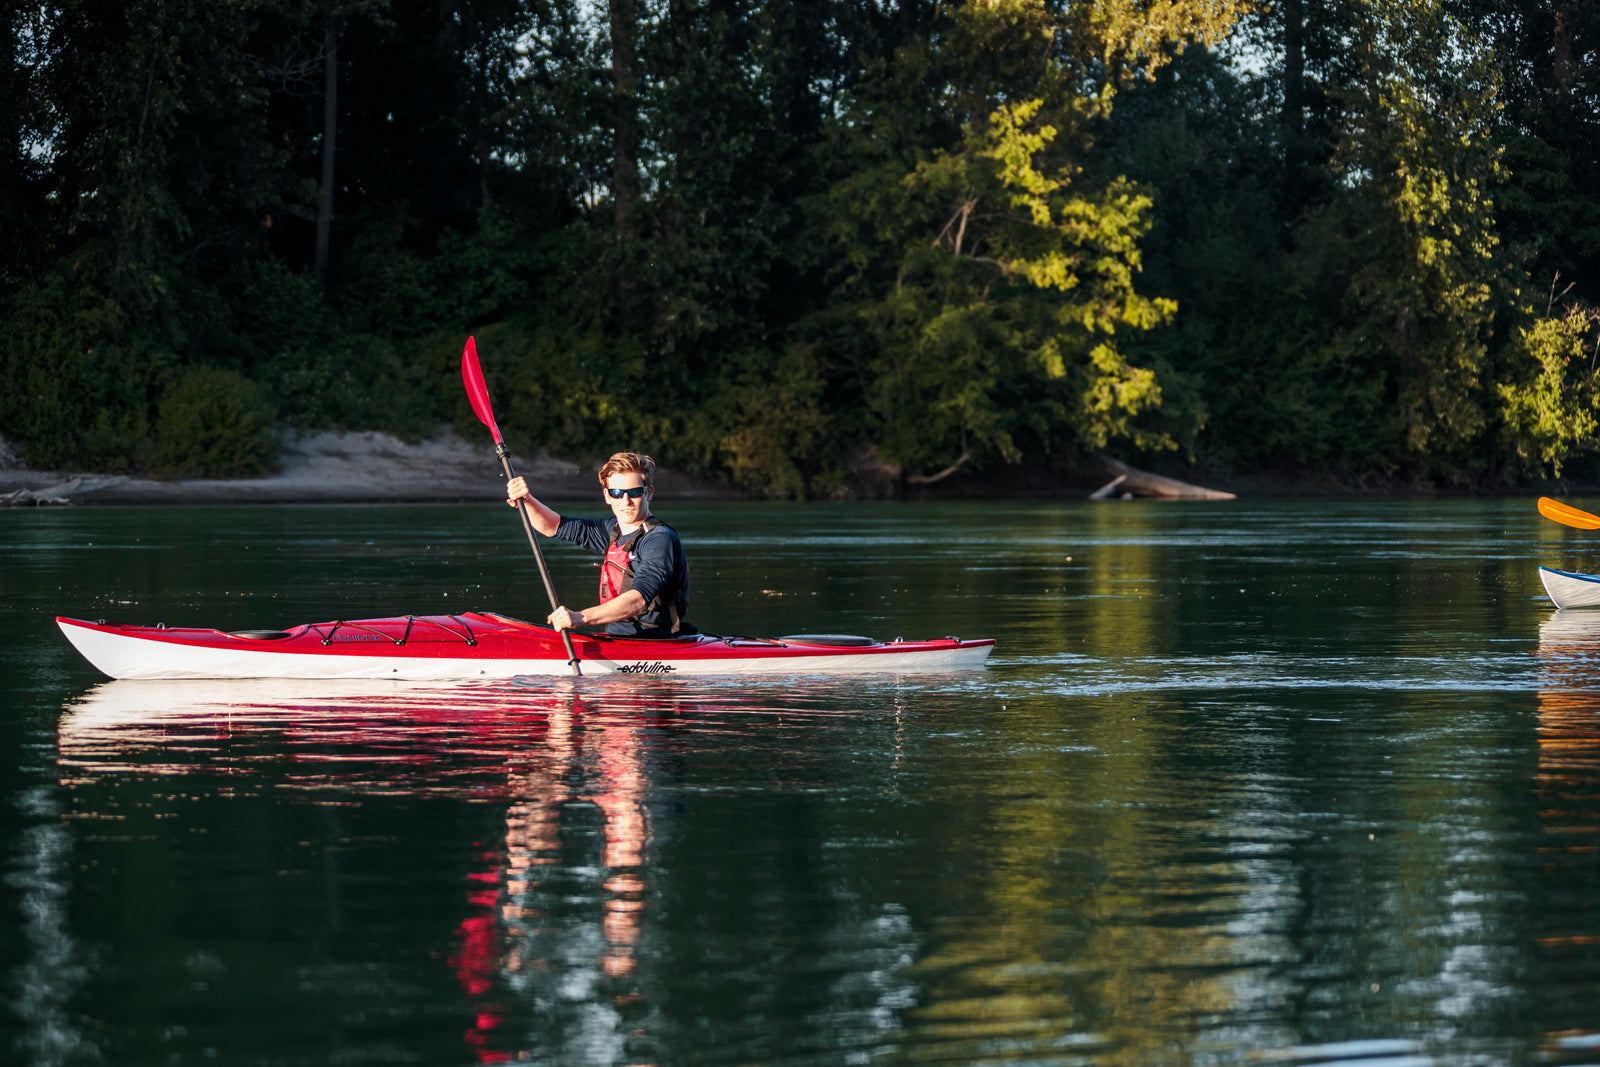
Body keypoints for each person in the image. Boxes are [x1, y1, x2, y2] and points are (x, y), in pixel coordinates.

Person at [505, 451, 693, 637]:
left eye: (635, 492)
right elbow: (552, 526)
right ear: (607, 495)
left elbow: (638, 600)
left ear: (648, 493)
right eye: (617, 493)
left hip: (655, 643)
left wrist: (581, 617)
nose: (625, 501)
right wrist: (528, 501)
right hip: (616, 640)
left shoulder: (659, 539)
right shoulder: (612, 530)